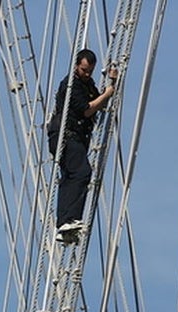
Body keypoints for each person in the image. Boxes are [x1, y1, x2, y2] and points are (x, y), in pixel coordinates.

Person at [47, 49, 118, 242]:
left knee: (70, 177)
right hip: (65, 136)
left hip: (74, 138)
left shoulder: (88, 85)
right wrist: (109, 93)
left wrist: (111, 84)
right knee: (82, 173)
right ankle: (68, 219)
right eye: (84, 69)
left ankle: (64, 224)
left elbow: (99, 102)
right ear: (77, 65)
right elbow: (87, 110)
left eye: (90, 71)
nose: (86, 74)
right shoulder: (71, 85)